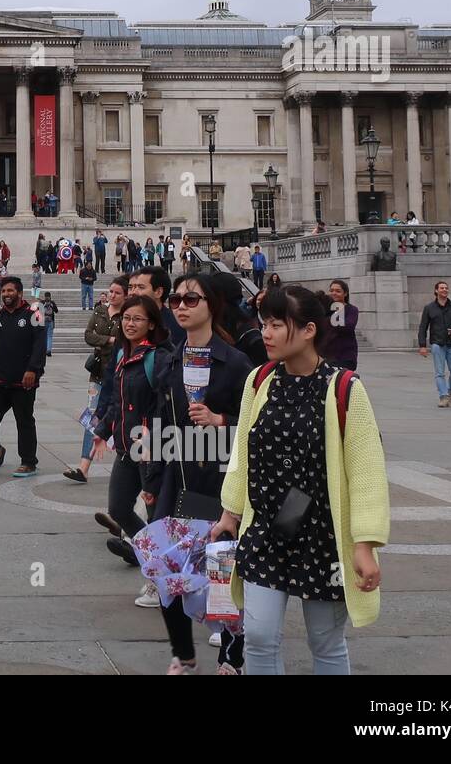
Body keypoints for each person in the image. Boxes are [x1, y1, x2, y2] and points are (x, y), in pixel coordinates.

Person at [212, 285, 390, 676]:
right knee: (258, 636)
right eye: (265, 324)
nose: (267, 334)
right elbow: (243, 448)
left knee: (325, 642)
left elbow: (366, 470)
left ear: (308, 330)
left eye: (277, 324)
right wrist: (230, 511)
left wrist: (364, 543)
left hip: (322, 535)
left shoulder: (344, 388)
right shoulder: (259, 381)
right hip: (265, 530)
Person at [146, 272, 252, 674]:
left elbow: (255, 424)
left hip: (220, 478)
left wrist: (220, 419)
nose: (182, 306)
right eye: (176, 300)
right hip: (178, 478)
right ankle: (183, 654)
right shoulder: (172, 359)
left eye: (192, 299)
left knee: (222, 571)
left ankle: (232, 655)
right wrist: (151, 479)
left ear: (211, 306)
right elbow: (159, 422)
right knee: (163, 569)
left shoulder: (237, 362)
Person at [90, 295, 171, 579]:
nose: (130, 324)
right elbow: (118, 401)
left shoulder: (158, 358)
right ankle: (147, 550)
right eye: (126, 318)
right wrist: (102, 432)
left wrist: (153, 435)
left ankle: (160, 574)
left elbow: (167, 405)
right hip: (126, 447)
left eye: (137, 319)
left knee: (155, 515)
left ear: (151, 324)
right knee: (119, 508)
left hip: (149, 450)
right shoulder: (123, 354)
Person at [0, 276, 46, 478]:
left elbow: (39, 346)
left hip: (24, 381)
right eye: (3, 291)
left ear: (20, 293)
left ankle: (29, 462)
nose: (6, 294)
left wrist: (33, 370)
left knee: (24, 421)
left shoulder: (34, 315)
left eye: (10, 291)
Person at [66, 274, 127, 485]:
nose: (112, 295)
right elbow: (88, 335)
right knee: (91, 419)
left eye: (117, 293)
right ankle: (84, 467)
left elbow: (123, 341)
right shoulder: (100, 310)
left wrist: (107, 341)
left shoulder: (127, 316)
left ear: (126, 296)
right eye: (111, 291)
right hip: (98, 374)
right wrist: (108, 340)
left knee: (122, 420)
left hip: (119, 374)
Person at [417, 280, 451, 408]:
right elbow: (423, 327)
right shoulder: (429, 308)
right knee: (439, 372)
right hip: (437, 344)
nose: (444, 290)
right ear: (436, 291)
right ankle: (443, 396)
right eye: (442, 288)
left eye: (446, 288)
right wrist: (422, 345)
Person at [130, 266, 181, 345]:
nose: (134, 292)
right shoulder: (127, 321)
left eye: (141, 287)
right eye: (133, 287)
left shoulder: (177, 324)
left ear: (158, 292)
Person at [326, 280, 359, 372]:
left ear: (345, 293)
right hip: (328, 355)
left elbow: (348, 326)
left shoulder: (352, 310)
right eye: (331, 290)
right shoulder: (325, 308)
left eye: (338, 291)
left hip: (346, 355)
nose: (334, 293)